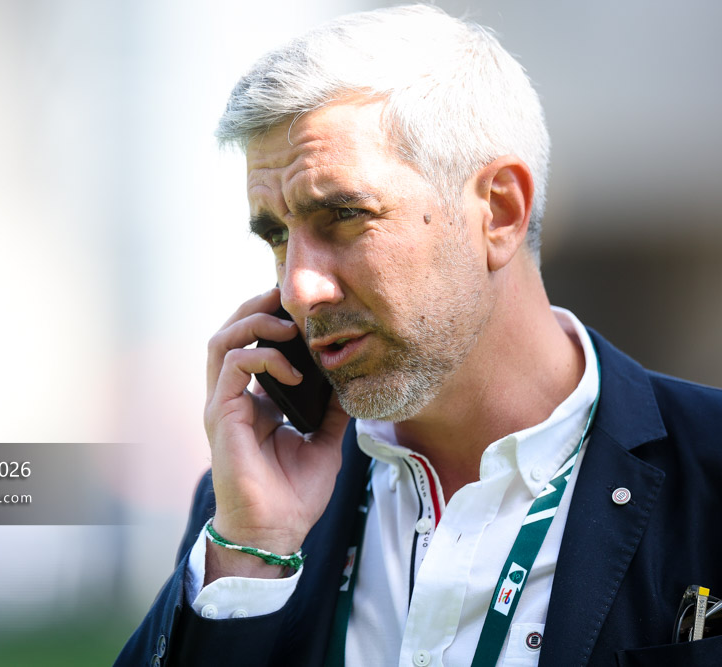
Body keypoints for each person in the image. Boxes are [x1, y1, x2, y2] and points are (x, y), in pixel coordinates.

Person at [116, 5, 722, 666]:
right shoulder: (253, 502)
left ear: (499, 211)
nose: (297, 288)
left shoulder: (708, 471)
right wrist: (250, 554)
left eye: (344, 214)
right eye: (277, 235)